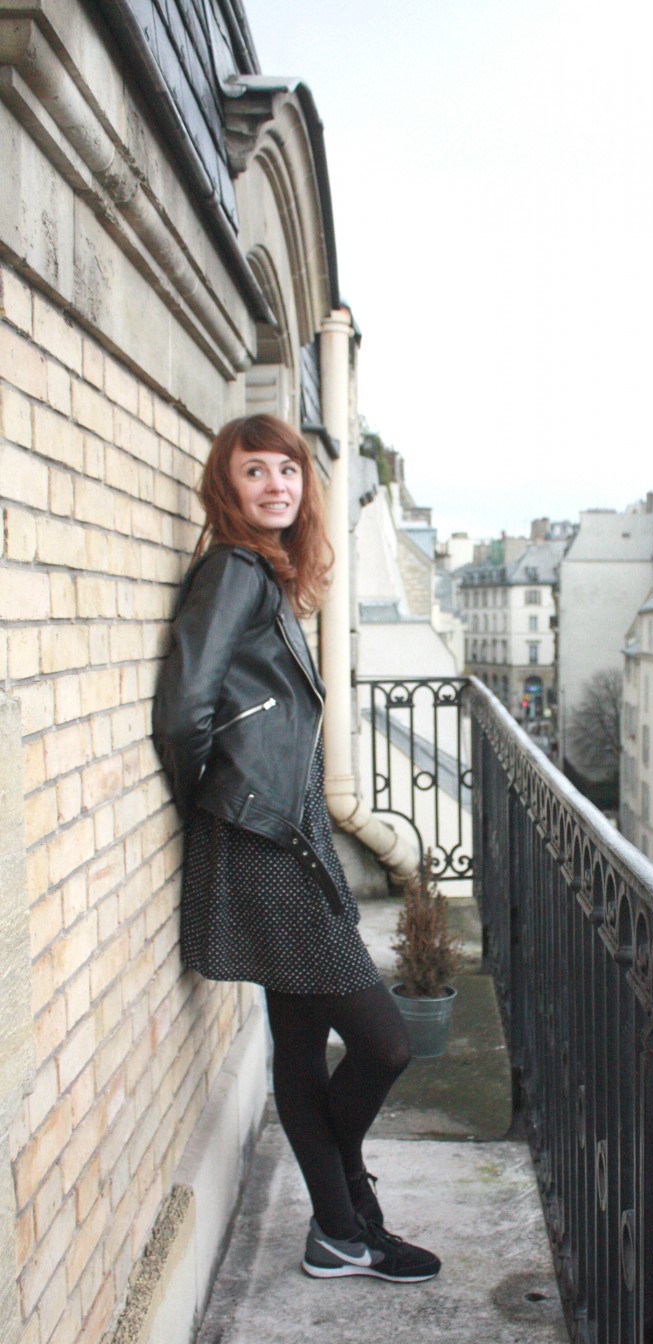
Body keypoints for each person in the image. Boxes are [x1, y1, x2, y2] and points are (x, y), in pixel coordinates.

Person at [152, 413, 440, 1284]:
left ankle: (342, 1229)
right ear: (227, 484)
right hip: (265, 841)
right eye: (255, 471)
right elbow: (182, 711)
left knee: (301, 1041)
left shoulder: (268, 576)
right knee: (385, 1045)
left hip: (285, 832)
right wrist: (215, 805)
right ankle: (348, 1210)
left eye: (287, 469)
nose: (275, 485)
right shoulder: (236, 571)